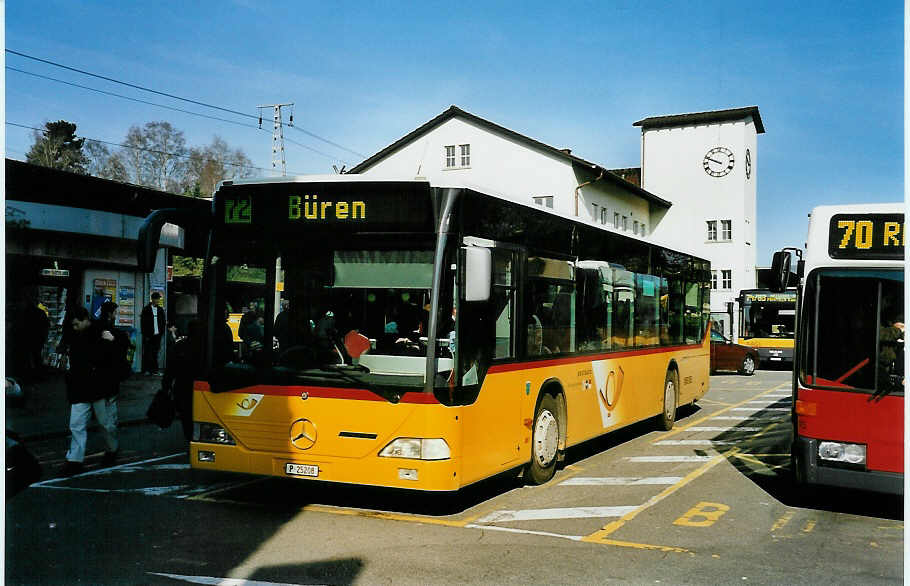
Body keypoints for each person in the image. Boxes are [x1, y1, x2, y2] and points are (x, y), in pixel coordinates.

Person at [58, 306, 120, 476]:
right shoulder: (82, 334)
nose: (74, 327)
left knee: (105, 423)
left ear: (86, 320)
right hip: (84, 387)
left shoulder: (102, 331)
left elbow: (114, 357)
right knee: (77, 424)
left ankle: (112, 449)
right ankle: (75, 461)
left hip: (97, 387)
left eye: (77, 324)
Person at [161, 320, 204, 441]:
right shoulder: (205, 347)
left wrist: (166, 386)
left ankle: (190, 438)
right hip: (200, 387)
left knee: (186, 418)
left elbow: (170, 370)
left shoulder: (180, 346)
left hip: (182, 388)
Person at [140, 291, 166, 375]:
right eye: (156, 299)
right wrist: (145, 334)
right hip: (148, 335)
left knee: (155, 353)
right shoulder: (146, 309)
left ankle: (154, 370)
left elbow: (163, 321)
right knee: (148, 353)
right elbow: (143, 323)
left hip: (157, 335)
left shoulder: (160, 309)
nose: (157, 301)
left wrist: (161, 333)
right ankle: (147, 370)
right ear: (152, 299)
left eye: (158, 299)